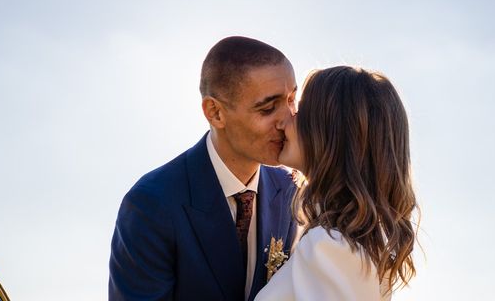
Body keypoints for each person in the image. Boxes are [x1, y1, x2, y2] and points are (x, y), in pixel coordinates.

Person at [109, 36, 299, 301]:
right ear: (215, 112)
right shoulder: (150, 204)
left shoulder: (290, 190)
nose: (288, 119)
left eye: (291, 100)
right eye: (268, 108)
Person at [256, 66, 419, 300]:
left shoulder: (331, 246)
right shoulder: (349, 245)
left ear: (330, 132)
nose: (284, 122)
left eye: (300, 111)